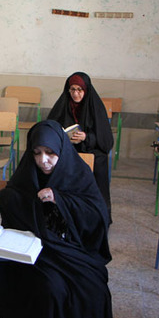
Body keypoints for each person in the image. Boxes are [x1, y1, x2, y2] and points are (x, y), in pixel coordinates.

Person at [0, 120, 118, 318]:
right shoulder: (25, 176)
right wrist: (28, 203)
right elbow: (10, 201)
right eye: (37, 153)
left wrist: (61, 200)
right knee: (50, 290)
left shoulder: (78, 174)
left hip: (71, 249)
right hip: (34, 254)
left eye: (50, 153)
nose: (43, 161)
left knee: (93, 290)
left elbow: (97, 216)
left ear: (61, 151)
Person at [47, 71, 113, 222]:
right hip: (68, 149)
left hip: (91, 148)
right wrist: (64, 137)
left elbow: (105, 140)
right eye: (72, 90)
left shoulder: (95, 107)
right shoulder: (62, 106)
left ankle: (97, 216)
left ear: (86, 90)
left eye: (79, 90)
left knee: (99, 160)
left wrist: (86, 137)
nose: (75, 94)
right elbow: (51, 128)